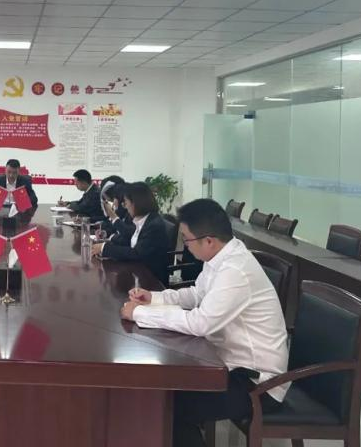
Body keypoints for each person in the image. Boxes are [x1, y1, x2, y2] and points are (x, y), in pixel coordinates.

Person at [120, 198, 288, 447]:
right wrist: (153, 298)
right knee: (163, 394)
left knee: (171, 407)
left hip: (256, 383)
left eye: (187, 239)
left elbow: (200, 323)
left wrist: (140, 314)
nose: (185, 246)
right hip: (226, 364)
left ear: (208, 240)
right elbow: (196, 295)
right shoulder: (220, 258)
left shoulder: (235, 271)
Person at [92, 182, 173, 285]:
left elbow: (137, 253)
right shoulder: (143, 219)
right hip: (137, 271)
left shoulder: (154, 225)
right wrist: (105, 246)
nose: (125, 206)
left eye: (126, 202)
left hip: (151, 279)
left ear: (136, 202)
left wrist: (105, 248)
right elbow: (129, 240)